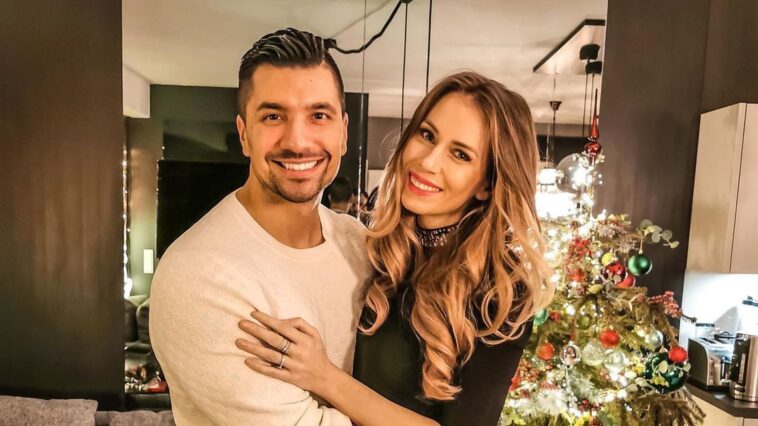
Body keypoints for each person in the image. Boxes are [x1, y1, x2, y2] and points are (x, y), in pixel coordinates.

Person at [236, 71, 555, 426]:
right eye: (427, 135)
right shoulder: (374, 248)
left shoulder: (500, 294)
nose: (428, 162)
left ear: (487, 184)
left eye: (460, 155)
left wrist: (324, 377)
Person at [149, 28, 374, 425]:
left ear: (342, 132)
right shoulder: (199, 275)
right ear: (244, 135)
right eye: (273, 116)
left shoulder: (357, 243)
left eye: (318, 115)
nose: (298, 141)